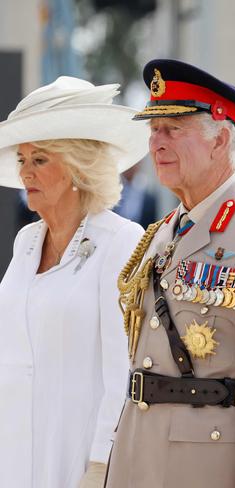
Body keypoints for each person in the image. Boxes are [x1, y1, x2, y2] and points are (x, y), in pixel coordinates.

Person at [105, 59, 235, 488]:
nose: (157, 144)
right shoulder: (163, 232)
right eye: (153, 131)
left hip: (208, 463)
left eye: (173, 130)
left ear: (221, 139)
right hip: (136, 451)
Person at [0, 76, 148, 487]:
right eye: (22, 159)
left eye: (40, 160)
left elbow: (124, 369)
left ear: (78, 167)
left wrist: (101, 463)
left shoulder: (121, 240)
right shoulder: (26, 240)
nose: (26, 172)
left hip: (75, 455)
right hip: (11, 454)